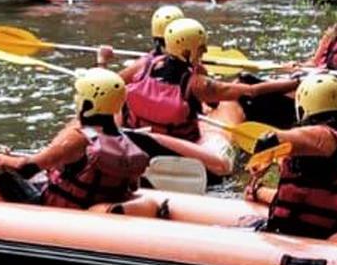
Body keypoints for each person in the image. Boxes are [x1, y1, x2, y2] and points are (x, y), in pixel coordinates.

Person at [0, 68, 151, 212]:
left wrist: (0, 156)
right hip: (86, 205)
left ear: (88, 102)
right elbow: (130, 186)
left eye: (79, 95)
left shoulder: (79, 138)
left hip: (51, 207)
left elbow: (26, 168)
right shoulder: (124, 140)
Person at [101, 16, 299, 170]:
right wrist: (293, 82)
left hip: (135, 135)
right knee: (223, 166)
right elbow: (252, 91)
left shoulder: (144, 64)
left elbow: (107, 85)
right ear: (189, 51)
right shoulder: (198, 84)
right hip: (179, 146)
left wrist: (102, 61)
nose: (203, 52)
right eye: (201, 49)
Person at [246, 75, 337, 238]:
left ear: (302, 109)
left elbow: (271, 139)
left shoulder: (320, 135)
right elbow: (314, 199)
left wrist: (264, 156)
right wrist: (258, 191)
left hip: (301, 236)